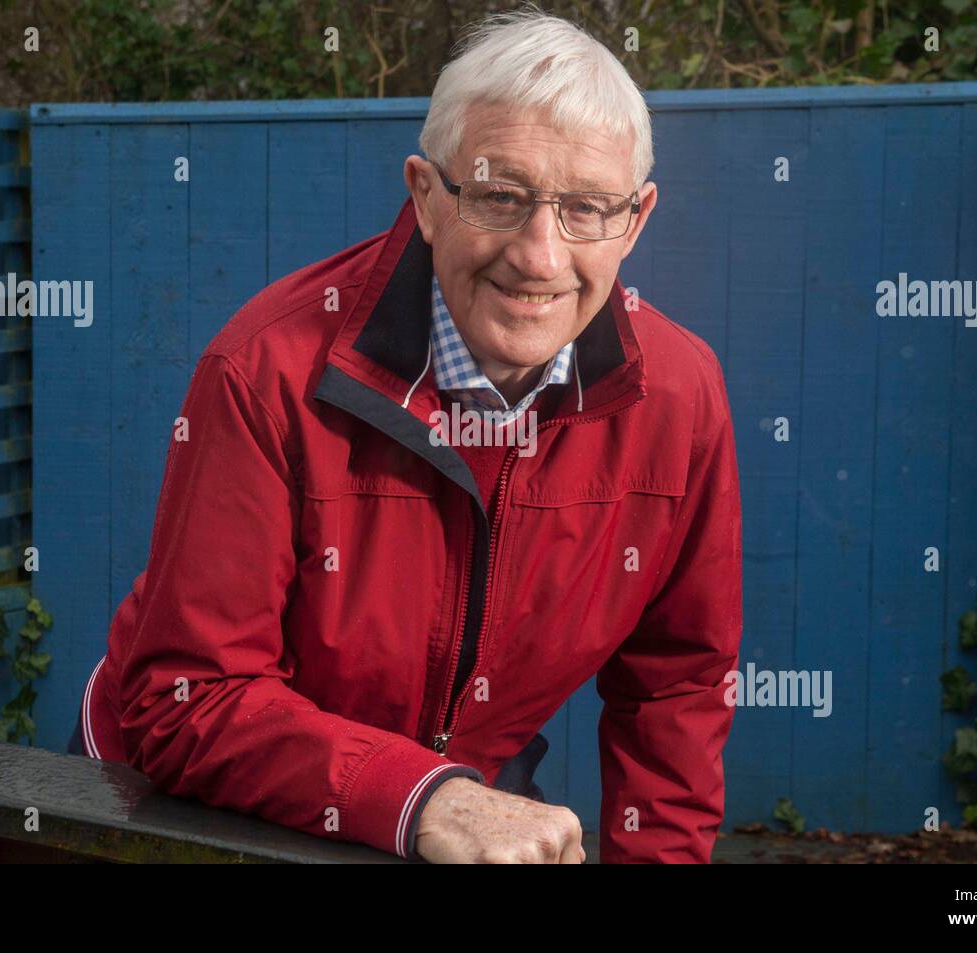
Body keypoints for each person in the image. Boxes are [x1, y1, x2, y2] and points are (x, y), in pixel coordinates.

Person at [72, 5, 742, 864]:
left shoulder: (682, 398)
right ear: (427, 196)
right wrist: (428, 794)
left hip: (442, 814)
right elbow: (187, 698)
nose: (541, 255)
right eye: (501, 196)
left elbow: (676, 686)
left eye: (586, 209)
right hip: (171, 806)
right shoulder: (264, 370)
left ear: (636, 221)